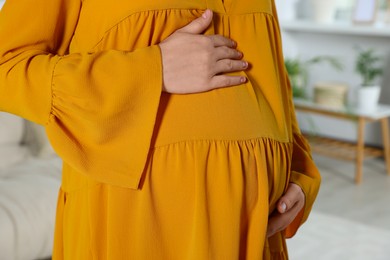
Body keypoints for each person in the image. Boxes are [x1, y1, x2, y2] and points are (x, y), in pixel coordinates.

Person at [0, 0, 321, 259]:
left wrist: (298, 176)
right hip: (139, 221)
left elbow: (276, 88)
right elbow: (6, 69)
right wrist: (152, 69)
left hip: (254, 227)